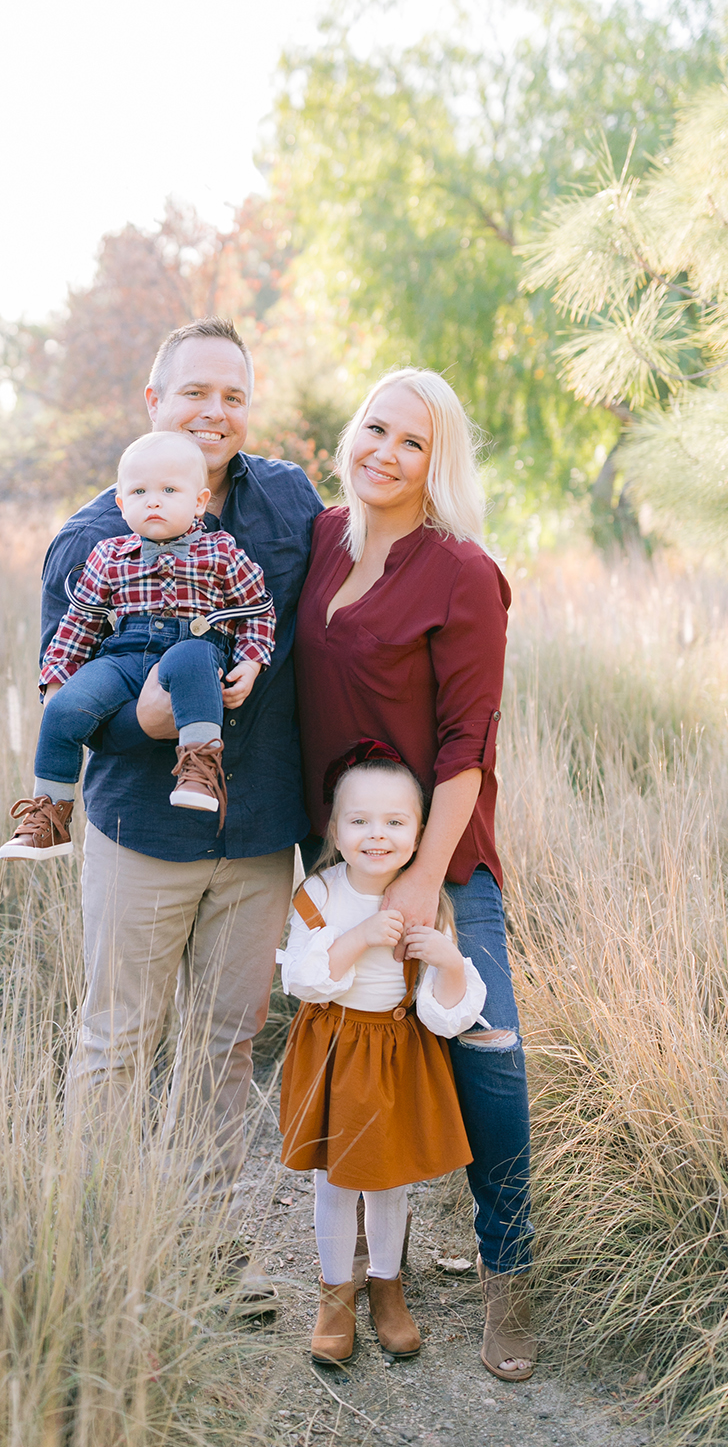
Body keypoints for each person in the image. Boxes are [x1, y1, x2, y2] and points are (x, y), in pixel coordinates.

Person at [42, 317, 324, 1306]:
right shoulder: (88, 537)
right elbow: (64, 699)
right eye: (194, 391)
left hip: (255, 837)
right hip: (143, 835)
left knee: (224, 1045)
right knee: (118, 1038)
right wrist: (141, 721)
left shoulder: (289, 503)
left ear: (248, 410)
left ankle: (211, 1251)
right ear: (151, 401)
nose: (214, 410)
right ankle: (99, 1243)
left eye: (233, 395)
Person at [293, 367, 538, 1380]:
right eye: (374, 429)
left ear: (439, 465)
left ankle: (506, 1276)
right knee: (352, 1053)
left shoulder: (461, 573)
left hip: (440, 857)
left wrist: (420, 882)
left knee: (485, 1054)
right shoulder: (316, 541)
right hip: (342, 852)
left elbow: (464, 749)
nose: (384, 454)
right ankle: (353, 1271)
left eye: (413, 443)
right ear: (349, 434)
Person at [278, 752, 487, 1366]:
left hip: (398, 1052)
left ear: (420, 833)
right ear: (335, 829)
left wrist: (448, 962)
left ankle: (388, 1289)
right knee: (335, 1182)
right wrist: (363, 936)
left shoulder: (428, 900)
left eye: (395, 823)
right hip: (336, 1049)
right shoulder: (319, 893)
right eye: (359, 821)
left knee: (390, 1179)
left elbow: (442, 1012)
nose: (376, 835)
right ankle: (335, 1295)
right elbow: (304, 978)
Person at [0, 431, 275, 859]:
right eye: (140, 492)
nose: (154, 501)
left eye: (169, 490)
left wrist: (252, 661)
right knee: (63, 710)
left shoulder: (221, 551)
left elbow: (256, 608)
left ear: (199, 501)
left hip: (195, 646)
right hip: (125, 655)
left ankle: (199, 768)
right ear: (122, 505)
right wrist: (58, 685)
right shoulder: (109, 555)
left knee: (189, 657)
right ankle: (50, 816)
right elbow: (79, 624)